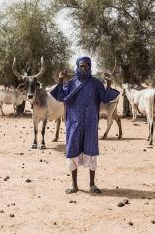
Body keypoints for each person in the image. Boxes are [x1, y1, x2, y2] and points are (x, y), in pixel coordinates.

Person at [51, 56, 119, 194]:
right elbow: (60, 96)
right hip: (74, 123)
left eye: (86, 66)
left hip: (90, 123)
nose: (84, 68)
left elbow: (106, 98)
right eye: (81, 66)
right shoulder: (70, 83)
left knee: (92, 152)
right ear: (77, 66)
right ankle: (74, 185)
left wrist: (109, 84)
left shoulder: (96, 83)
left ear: (90, 66)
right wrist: (60, 79)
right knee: (72, 152)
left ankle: (92, 185)